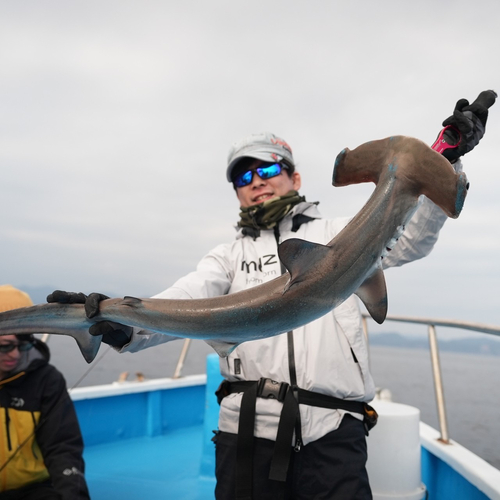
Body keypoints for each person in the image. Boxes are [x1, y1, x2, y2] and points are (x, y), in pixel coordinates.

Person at [48, 92, 493, 499]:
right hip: (245, 433)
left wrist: (446, 161)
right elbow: (181, 301)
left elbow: (409, 237)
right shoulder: (226, 258)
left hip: (334, 429)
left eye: (267, 169)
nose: (256, 181)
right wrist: (117, 322)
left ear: (294, 175)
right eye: (244, 176)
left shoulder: (341, 234)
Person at [0, 285, 90, 500]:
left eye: (23, 344)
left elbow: (63, 448)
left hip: (33, 488)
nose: (14, 353)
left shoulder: (47, 380)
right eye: (4, 345)